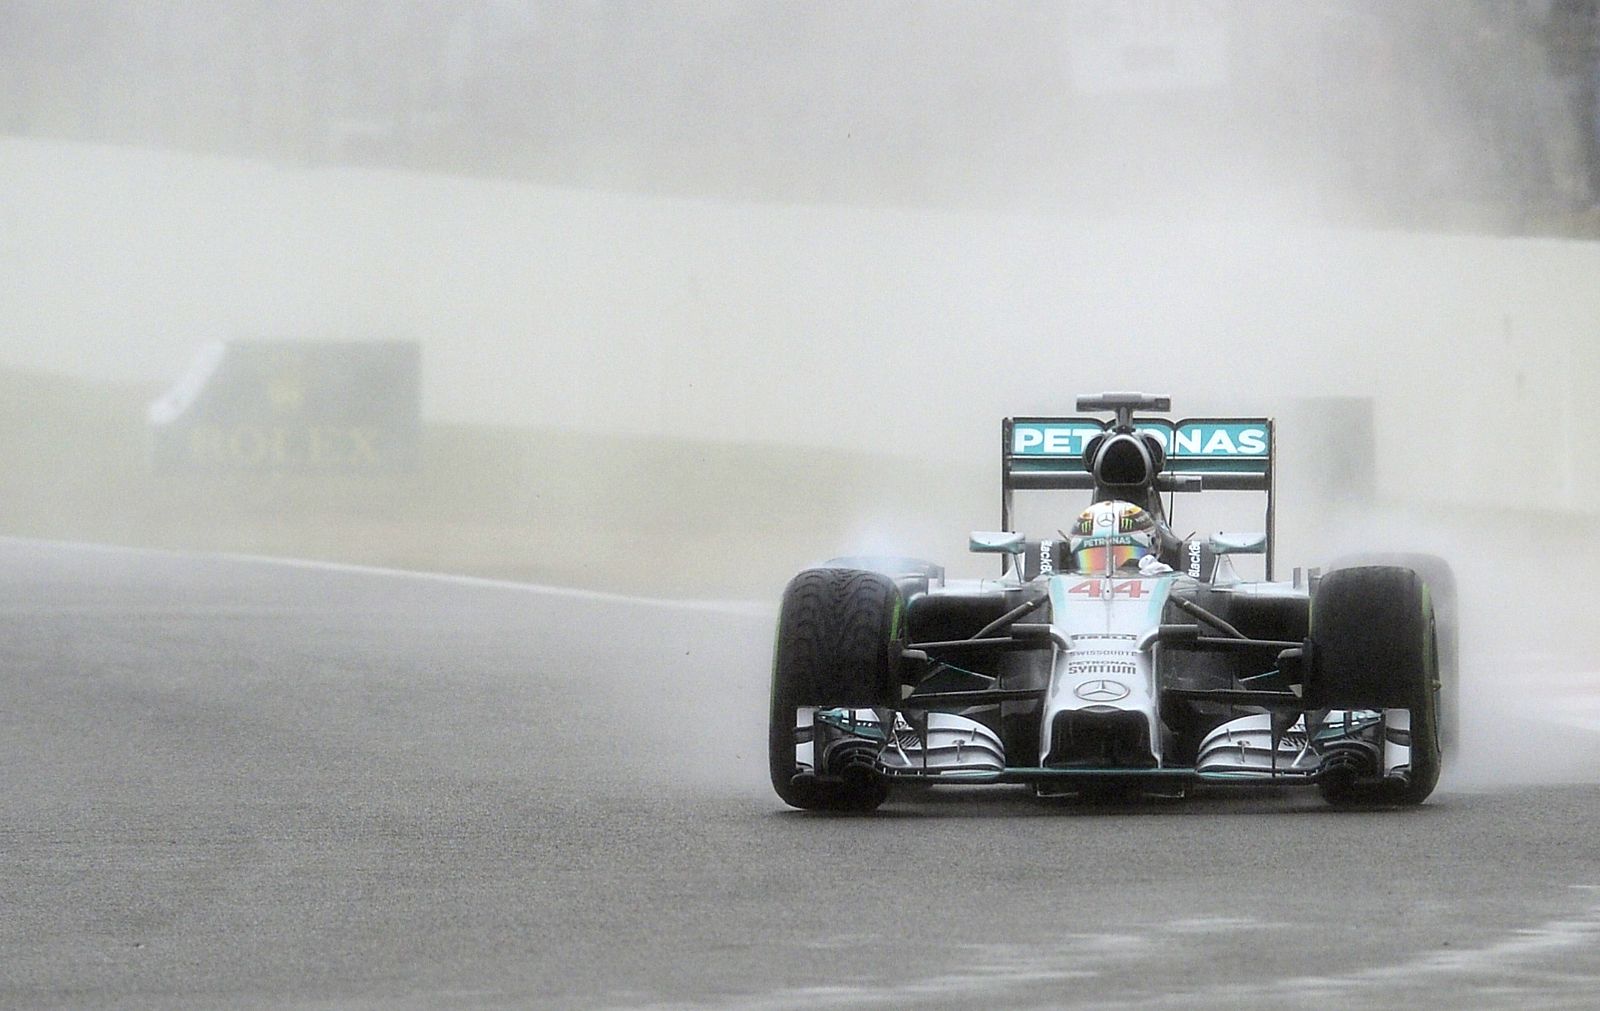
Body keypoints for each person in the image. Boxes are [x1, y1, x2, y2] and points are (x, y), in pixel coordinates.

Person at [1068, 500, 1175, 576]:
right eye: (1097, 559)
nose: (1111, 574)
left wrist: (1165, 583)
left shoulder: (1158, 577)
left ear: (1153, 550)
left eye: (1121, 557)